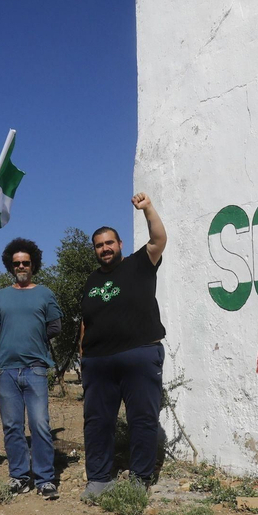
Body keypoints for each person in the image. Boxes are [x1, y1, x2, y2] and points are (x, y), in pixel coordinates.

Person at [79, 193, 168, 498]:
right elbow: (86, 320)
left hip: (140, 354)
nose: (104, 248)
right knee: (97, 422)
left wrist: (148, 210)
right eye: (99, 245)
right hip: (98, 362)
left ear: (119, 245)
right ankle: (100, 479)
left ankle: (140, 479)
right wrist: (83, 356)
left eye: (109, 243)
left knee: (142, 419)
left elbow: (158, 239)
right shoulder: (91, 281)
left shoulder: (139, 264)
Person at [0, 238, 62, 499]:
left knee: (40, 424)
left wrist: (34, 339)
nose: (21, 266)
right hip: (6, 371)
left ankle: (45, 480)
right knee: (12, 426)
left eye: (25, 263)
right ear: (10, 265)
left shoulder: (45, 293)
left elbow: (56, 325)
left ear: (33, 265)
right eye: (16, 263)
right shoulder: (1, 296)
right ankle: (19, 477)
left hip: (36, 369)